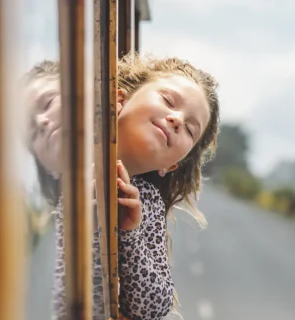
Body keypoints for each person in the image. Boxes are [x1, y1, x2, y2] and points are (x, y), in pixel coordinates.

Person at [22, 52, 220, 320]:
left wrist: (130, 233)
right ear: (119, 99)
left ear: (172, 165)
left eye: (190, 129)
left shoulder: (147, 202)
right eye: (168, 100)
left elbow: (153, 307)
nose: (176, 119)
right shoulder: (60, 163)